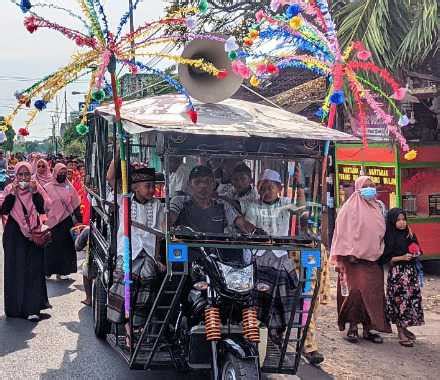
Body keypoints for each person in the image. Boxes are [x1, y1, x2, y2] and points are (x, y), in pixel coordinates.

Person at [240, 169, 300, 345]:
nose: (266, 192)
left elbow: (303, 212)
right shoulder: (252, 207)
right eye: (263, 188)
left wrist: (301, 185)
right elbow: (250, 229)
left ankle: (278, 327)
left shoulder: (287, 204)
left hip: (280, 254)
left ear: (279, 188)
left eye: (270, 188)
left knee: (286, 281)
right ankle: (261, 326)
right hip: (259, 254)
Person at [107, 167, 166, 346]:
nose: (152, 190)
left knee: (149, 281)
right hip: (127, 252)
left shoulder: (157, 205)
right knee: (124, 284)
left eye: (153, 186)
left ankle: (136, 326)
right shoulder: (123, 200)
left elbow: (160, 235)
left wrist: (158, 259)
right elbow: (110, 177)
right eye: (148, 186)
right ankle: (126, 324)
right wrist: (118, 152)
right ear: (135, 187)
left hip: (148, 253)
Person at [330, 176, 391, 343]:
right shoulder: (348, 208)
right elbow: (341, 233)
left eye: (372, 186)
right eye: (366, 186)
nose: (370, 188)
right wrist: (348, 253)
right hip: (353, 260)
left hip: (373, 259)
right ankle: (353, 326)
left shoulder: (379, 207)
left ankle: (369, 328)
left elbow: (382, 232)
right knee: (355, 292)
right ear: (358, 188)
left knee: (374, 293)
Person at [0, 162, 50, 321]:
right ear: (15, 175)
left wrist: (35, 193)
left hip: (33, 233)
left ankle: (32, 309)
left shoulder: (36, 189)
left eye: (26, 175)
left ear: (31, 175)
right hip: (14, 235)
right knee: (15, 270)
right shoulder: (9, 189)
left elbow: (43, 209)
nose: (23, 178)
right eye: (20, 175)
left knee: (33, 271)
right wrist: (12, 195)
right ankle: (14, 309)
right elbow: (3, 210)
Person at [168, 165, 257, 235]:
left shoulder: (223, 205)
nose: (203, 186)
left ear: (214, 184)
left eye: (207, 181)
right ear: (189, 184)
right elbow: (168, 222)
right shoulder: (179, 202)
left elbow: (242, 224)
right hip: (184, 253)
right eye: (197, 182)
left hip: (215, 256)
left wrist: (258, 234)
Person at [381, 208, 424, 347]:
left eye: (403, 219)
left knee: (410, 302)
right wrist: (402, 257)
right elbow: (388, 259)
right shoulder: (390, 236)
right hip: (398, 275)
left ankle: (405, 327)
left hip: (410, 274)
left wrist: (416, 252)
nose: (402, 223)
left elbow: (419, 249)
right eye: (398, 220)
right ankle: (400, 332)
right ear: (393, 221)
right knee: (400, 303)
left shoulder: (409, 234)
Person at [44, 163, 82, 280]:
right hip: (51, 222)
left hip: (66, 222)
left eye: (64, 173)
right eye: (60, 172)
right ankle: (48, 271)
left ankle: (63, 271)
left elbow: (76, 204)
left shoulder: (69, 186)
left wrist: (79, 221)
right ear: (55, 172)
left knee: (65, 247)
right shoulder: (47, 187)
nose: (62, 174)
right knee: (51, 247)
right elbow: (43, 205)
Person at [74, 225, 93, 306]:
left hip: (93, 262)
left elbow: (77, 247)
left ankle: (88, 298)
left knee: (85, 270)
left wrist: (78, 235)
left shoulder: (88, 229)